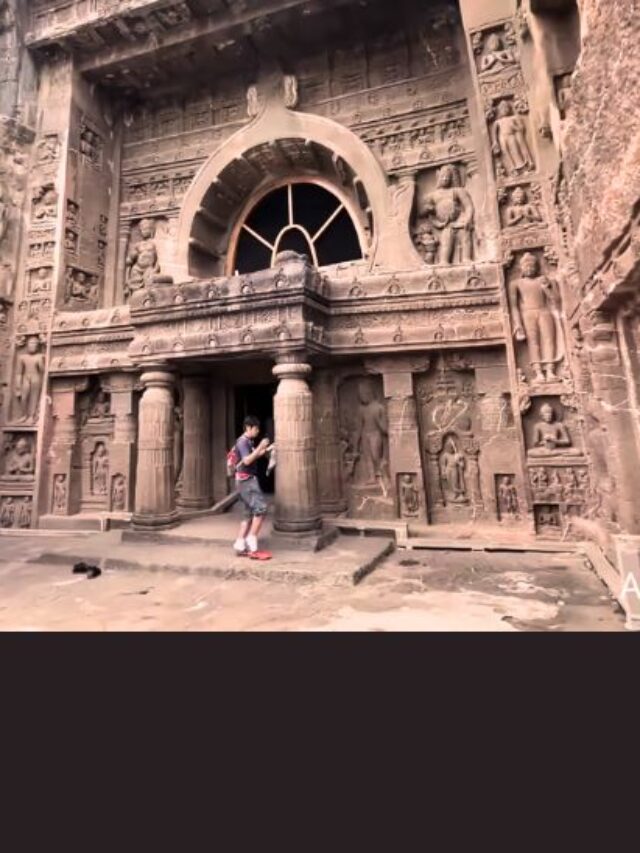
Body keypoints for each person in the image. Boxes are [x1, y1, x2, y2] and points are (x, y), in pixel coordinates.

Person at [232, 416, 273, 561]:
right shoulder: (242, 442)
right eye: (256, 428)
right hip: (246, 480)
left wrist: (267, 449)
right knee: (260, 508)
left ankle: (240, 544)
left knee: (248, 514)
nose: (258, 431)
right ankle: (251, 539)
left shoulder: (248, 442)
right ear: (248, 427)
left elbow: (254, 456)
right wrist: (261, 447)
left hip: (244, 480)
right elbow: (247, 460)